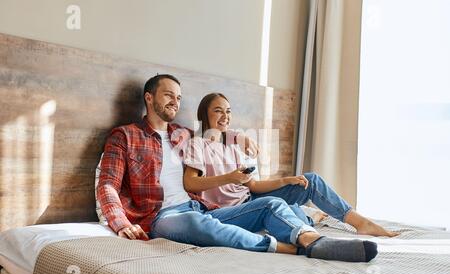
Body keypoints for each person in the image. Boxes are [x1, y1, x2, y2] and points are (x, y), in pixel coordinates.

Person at [97, 75, 379, 263]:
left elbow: (216, 132)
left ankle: (313, 240)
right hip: (161, 216)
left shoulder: (183, 134)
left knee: (271, 204)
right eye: (168, 95)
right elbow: (107, 185)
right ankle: (290, 248)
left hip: (199, 208)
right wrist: (121, 223)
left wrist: (239, 136)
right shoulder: (125, 136)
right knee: (201, 226)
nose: (175, 102)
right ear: (149, 98)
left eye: (179, 98)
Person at [182, 92, 399, 245]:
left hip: (252, 198)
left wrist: (287, 180)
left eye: (228, 111)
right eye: (218, 111)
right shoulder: (197, 144)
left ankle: (360, 222)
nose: (225, 116)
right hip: (229, 210)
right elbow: (190, 182)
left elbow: (254, 185)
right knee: (292, 214)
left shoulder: (234, 144)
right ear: (205, 114)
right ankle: (310, 220)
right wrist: (228, 177)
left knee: (310, 180)